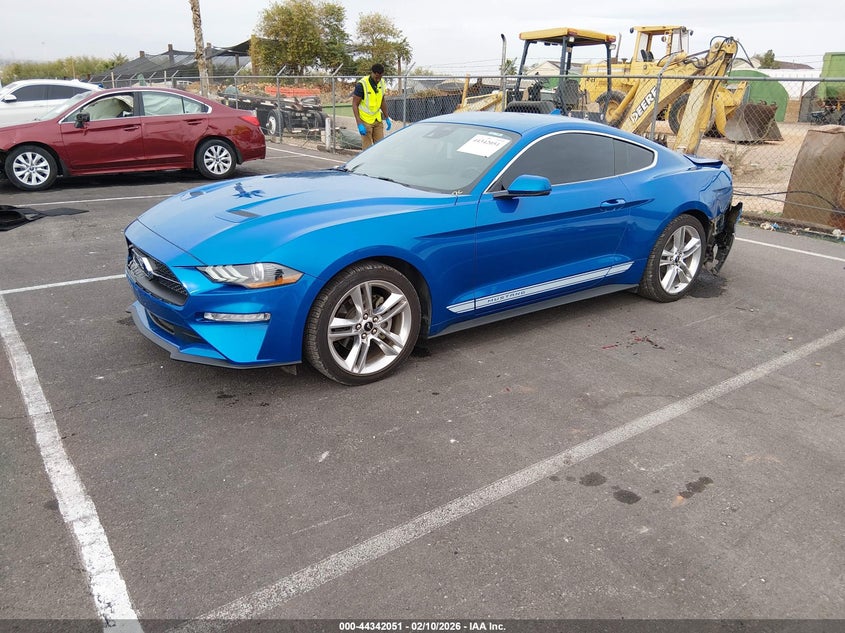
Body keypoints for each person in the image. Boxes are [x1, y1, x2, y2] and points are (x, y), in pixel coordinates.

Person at [352, 63, 392, 149]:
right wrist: (359, 123)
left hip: (377, 119)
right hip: (365, 121)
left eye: (380, 77)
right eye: (376, 77)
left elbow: (382, 101)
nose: (378, 79)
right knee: (367, 149)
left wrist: (387, 117)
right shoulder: (362, 85)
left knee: (380, 147)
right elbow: (355, 104)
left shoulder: (382, 82)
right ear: (372, 73)